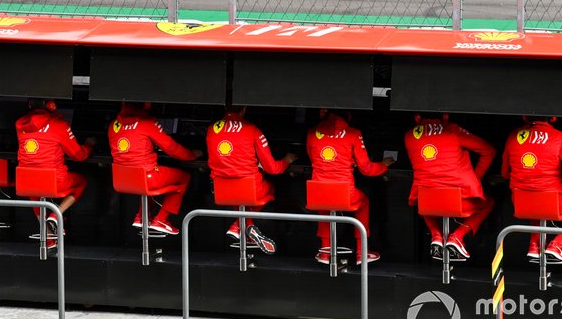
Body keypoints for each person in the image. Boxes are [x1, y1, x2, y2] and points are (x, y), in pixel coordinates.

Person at [502, 118, 562, 263]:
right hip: (554, 204)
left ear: (524, 116)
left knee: (534, 201)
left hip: (521, 203)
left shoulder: (513, 135)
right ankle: (557, 244)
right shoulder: (559, 137)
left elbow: (504, 173)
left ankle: (534, 246)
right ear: (553, 118)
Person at [306, 110, 395, 265]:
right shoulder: (353, 133)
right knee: (364, 202)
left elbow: (311, 156)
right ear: (348, 115)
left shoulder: (312, 133)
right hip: (344, 192)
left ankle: (324, 252)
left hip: (317, 191)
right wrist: (383, 166)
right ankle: (362, 253)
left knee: (324, 205)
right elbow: (366, 168)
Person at [206, 105, 297, 254]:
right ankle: (238, 225)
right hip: (249, 190)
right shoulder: (252, 129)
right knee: (270, 187)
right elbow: (273, 169)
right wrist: (287, 160)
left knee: (238, 194)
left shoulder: (211, 128)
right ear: (244, 110)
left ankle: (242, 226)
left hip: (221, 190)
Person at [404, 114, 495, 260]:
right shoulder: (452, 130)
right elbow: (488, 151)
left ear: (416, 117)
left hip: (427, 200)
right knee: (488, 203)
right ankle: (457, 237)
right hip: (459, 199)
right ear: (445, 116)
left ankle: (436, 236)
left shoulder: (409, 135)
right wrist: (474, 180)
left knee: (421, 200)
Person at [108, 102, 202, 235]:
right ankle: (161, 220)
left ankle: (141, 217)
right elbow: (171, 148)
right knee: (184, 177)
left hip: (122, 179)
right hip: (147, 178)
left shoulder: (113, 125)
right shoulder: (147, 124)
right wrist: (192, 155)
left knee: (144, 180)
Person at [16, 100, 96, 247]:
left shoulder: (20, 124)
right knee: (82, 181)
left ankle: (49, 239)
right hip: (54, 182)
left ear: (29, 105)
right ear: (51, 105)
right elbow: (79, 156)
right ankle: (56, 214)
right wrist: (89, 144)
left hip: (26, 181)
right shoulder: (59, 125)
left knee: (34, 190)